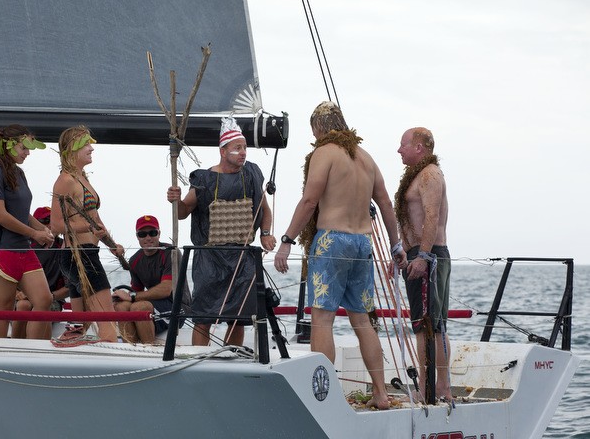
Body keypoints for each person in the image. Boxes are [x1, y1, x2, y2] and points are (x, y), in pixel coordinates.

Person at [273, 101, 406, 410]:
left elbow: (309, 200)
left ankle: (324, 398)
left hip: (331, 242)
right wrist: (396, 245)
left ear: (319, 128)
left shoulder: (325, 152)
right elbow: (386, 203)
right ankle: (381, 393)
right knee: (363, 321)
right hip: (362, 244)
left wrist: (287, 240)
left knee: (322, 320)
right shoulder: (366, 158)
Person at [166, 116, 276, 346]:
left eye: (245, 147)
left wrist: (265, 233)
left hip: (242, 257)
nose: (243, 152)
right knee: (204, 316)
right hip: (209, 257)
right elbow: (183, 213)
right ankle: (199, 361)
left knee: (238, 317)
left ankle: (232, 358)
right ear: (223, 151)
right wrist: (176, 201)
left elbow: (265, 210)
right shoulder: (204, 179)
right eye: (237, 148)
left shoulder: (252, 175)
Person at [0, 124, 54, 339]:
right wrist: (34, 234)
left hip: (22, 249)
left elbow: (22, 213)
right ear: (9, 146)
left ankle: (34, 354)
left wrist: (44, 230)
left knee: (44, 300)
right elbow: (0, 215)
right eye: (25, 147)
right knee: (3, 309)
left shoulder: (18, 172)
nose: (28, 153)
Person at [50, 125, 122, 343]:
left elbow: (95, 219)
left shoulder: (83, 178)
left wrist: (111, 244)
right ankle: (110, 355)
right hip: (77, 255)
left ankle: (81, 347)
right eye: (87, 144)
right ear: (73, 148)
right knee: (106, 315)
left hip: (89, 251)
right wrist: (87, 228)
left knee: (87, 318)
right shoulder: (65, 181)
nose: (92, 148)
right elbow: (56, 226)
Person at [395, 126, 452, 401]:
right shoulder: (417, 175)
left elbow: (432, 216)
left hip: (429, 255)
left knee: (430, 325)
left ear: (419, 147)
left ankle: (433, 388)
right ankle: (436, 386)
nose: (399, 150)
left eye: (403, 144)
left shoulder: (430, 174)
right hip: (417, 253)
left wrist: (423, 256)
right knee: (427, 323)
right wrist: (402, 253)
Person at [112, 215, 191, 344]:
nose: (148, 238)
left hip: (177, 306)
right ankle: (130, 352)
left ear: (159, 234)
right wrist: (119, 298)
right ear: (137, 237)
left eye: (152, 233)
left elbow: (166, 289)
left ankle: (149, 350)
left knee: (140, 307)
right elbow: (136, 291)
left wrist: (130, 296)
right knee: (122, 307)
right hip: (154, 306)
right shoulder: (135, 260)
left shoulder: (171, 252)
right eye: (143, 234)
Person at [11, 206, 70, 339]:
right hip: (24, 299)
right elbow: (9, 278)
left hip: (52, 299)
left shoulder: (64, 249)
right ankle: (15, 348)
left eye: (52, 220)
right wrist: (16, 293)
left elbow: (70, 288)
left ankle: (37, 350)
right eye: (45, 220)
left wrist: (49, 297)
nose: (49, 225)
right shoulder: (22, 247)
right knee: (23, 305)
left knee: (44, 304)